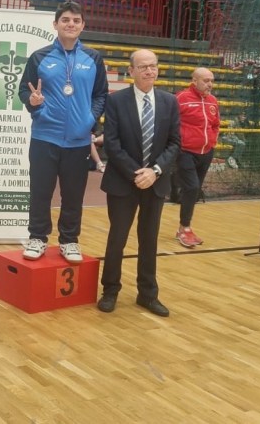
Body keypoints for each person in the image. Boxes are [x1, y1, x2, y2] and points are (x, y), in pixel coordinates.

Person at [18, 0, 109, 262]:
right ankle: (37, 237)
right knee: (40, 191)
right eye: (65, 20)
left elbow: (100, 94)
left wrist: (89, 119)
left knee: (73, 194)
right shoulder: (39, 57)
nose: (71, 24)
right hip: (44, 137)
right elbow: (24, 90)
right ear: (55, 24)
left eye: (76, 20)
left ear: (83, 25)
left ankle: (69, 240)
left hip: (79, 141)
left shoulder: (93, 58)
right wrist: (33, 103)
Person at [97, 49, 180, 318]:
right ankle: (110, 290)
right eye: (143, 66)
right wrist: (138, 173)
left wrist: (154, 171)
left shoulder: (169, 101)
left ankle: (147, 294)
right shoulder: (116, 101)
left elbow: (174, 143)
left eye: (153, 66)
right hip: (123, 181)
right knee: (117, 238)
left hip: (155, 182)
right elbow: (112, 144)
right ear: (131, 71)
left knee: (149, 239)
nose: (149, 71)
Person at [173, 68, 219, 248]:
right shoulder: (181, 98)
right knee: (191, 187)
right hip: (185, 152)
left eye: (212, 81)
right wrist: (178, 143)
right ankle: (184, 228)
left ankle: (184, 227)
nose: (210, 84)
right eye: (206, 80)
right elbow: (170, 122)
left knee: (195, 190)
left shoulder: (213, 101)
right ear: (194, 81)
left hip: (206, 152)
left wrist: (212, 141)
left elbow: (215, 125)